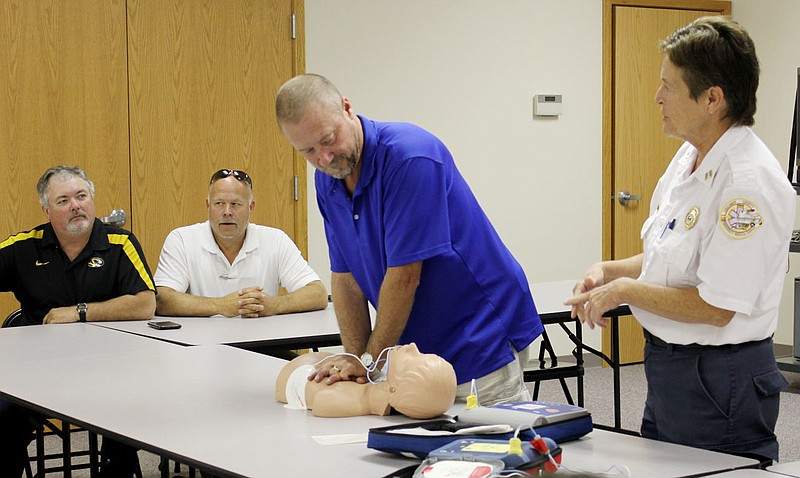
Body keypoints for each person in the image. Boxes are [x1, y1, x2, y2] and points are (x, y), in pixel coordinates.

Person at [565, 17, 794, 464]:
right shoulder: (690, 155)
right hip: (671, 369)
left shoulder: (746, 185)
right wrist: (610, 271)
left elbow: (716, 305)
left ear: (712, 98)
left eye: (669, 86)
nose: (657, 98)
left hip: (718, 377)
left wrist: (626, 291)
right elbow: (669, 257)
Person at [275, 74, 543, 406]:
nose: (324, 158)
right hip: (417, 345)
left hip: (478, 330)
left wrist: (370, 363)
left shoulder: (409, 156)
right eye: (308, 151)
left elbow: (405, 276)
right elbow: (346, 280)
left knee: (490, 447)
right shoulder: (328, 180)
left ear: (347, 108)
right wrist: (357, 361)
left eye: (328, 139)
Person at [0, 165, 157, 477]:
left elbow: (145, 303)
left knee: (128, 419)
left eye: (81, 196)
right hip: (37, 374)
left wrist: (80, 311)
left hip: (111, 371)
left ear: (92, 200)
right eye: (63, 201)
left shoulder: (120, 243)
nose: (75, 206)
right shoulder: (23, 247)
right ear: (46, 210)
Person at [154, 168, 327, 318]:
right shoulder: (182, 240)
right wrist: (221, 306)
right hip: (201, 347)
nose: (227, 212)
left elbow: (317, 293)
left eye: (235, 204)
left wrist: (273, 305)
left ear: (251, 207)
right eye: (219, 204)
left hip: (263, 344)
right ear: (208, 205)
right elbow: (162, 299)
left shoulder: (275, 240)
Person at [275, 343, 457, 419]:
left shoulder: (356, 401)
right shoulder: (375, 385)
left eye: (415, 357)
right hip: (311, 366)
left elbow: (322, 403)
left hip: (295, 378)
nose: (413, 347)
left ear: (394, 389)